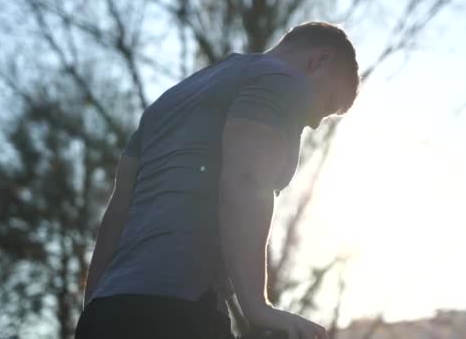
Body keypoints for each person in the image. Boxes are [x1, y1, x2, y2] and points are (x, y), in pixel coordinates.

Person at [74, 21, 359, 339]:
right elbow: (246, 180)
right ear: (320, 60)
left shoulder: (170, 100)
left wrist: (92, 312)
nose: (317, 123)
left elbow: (117, 213)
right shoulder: (283, 80)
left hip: (109, 310)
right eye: (328, 102)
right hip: (179, 312)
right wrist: (256, 306)